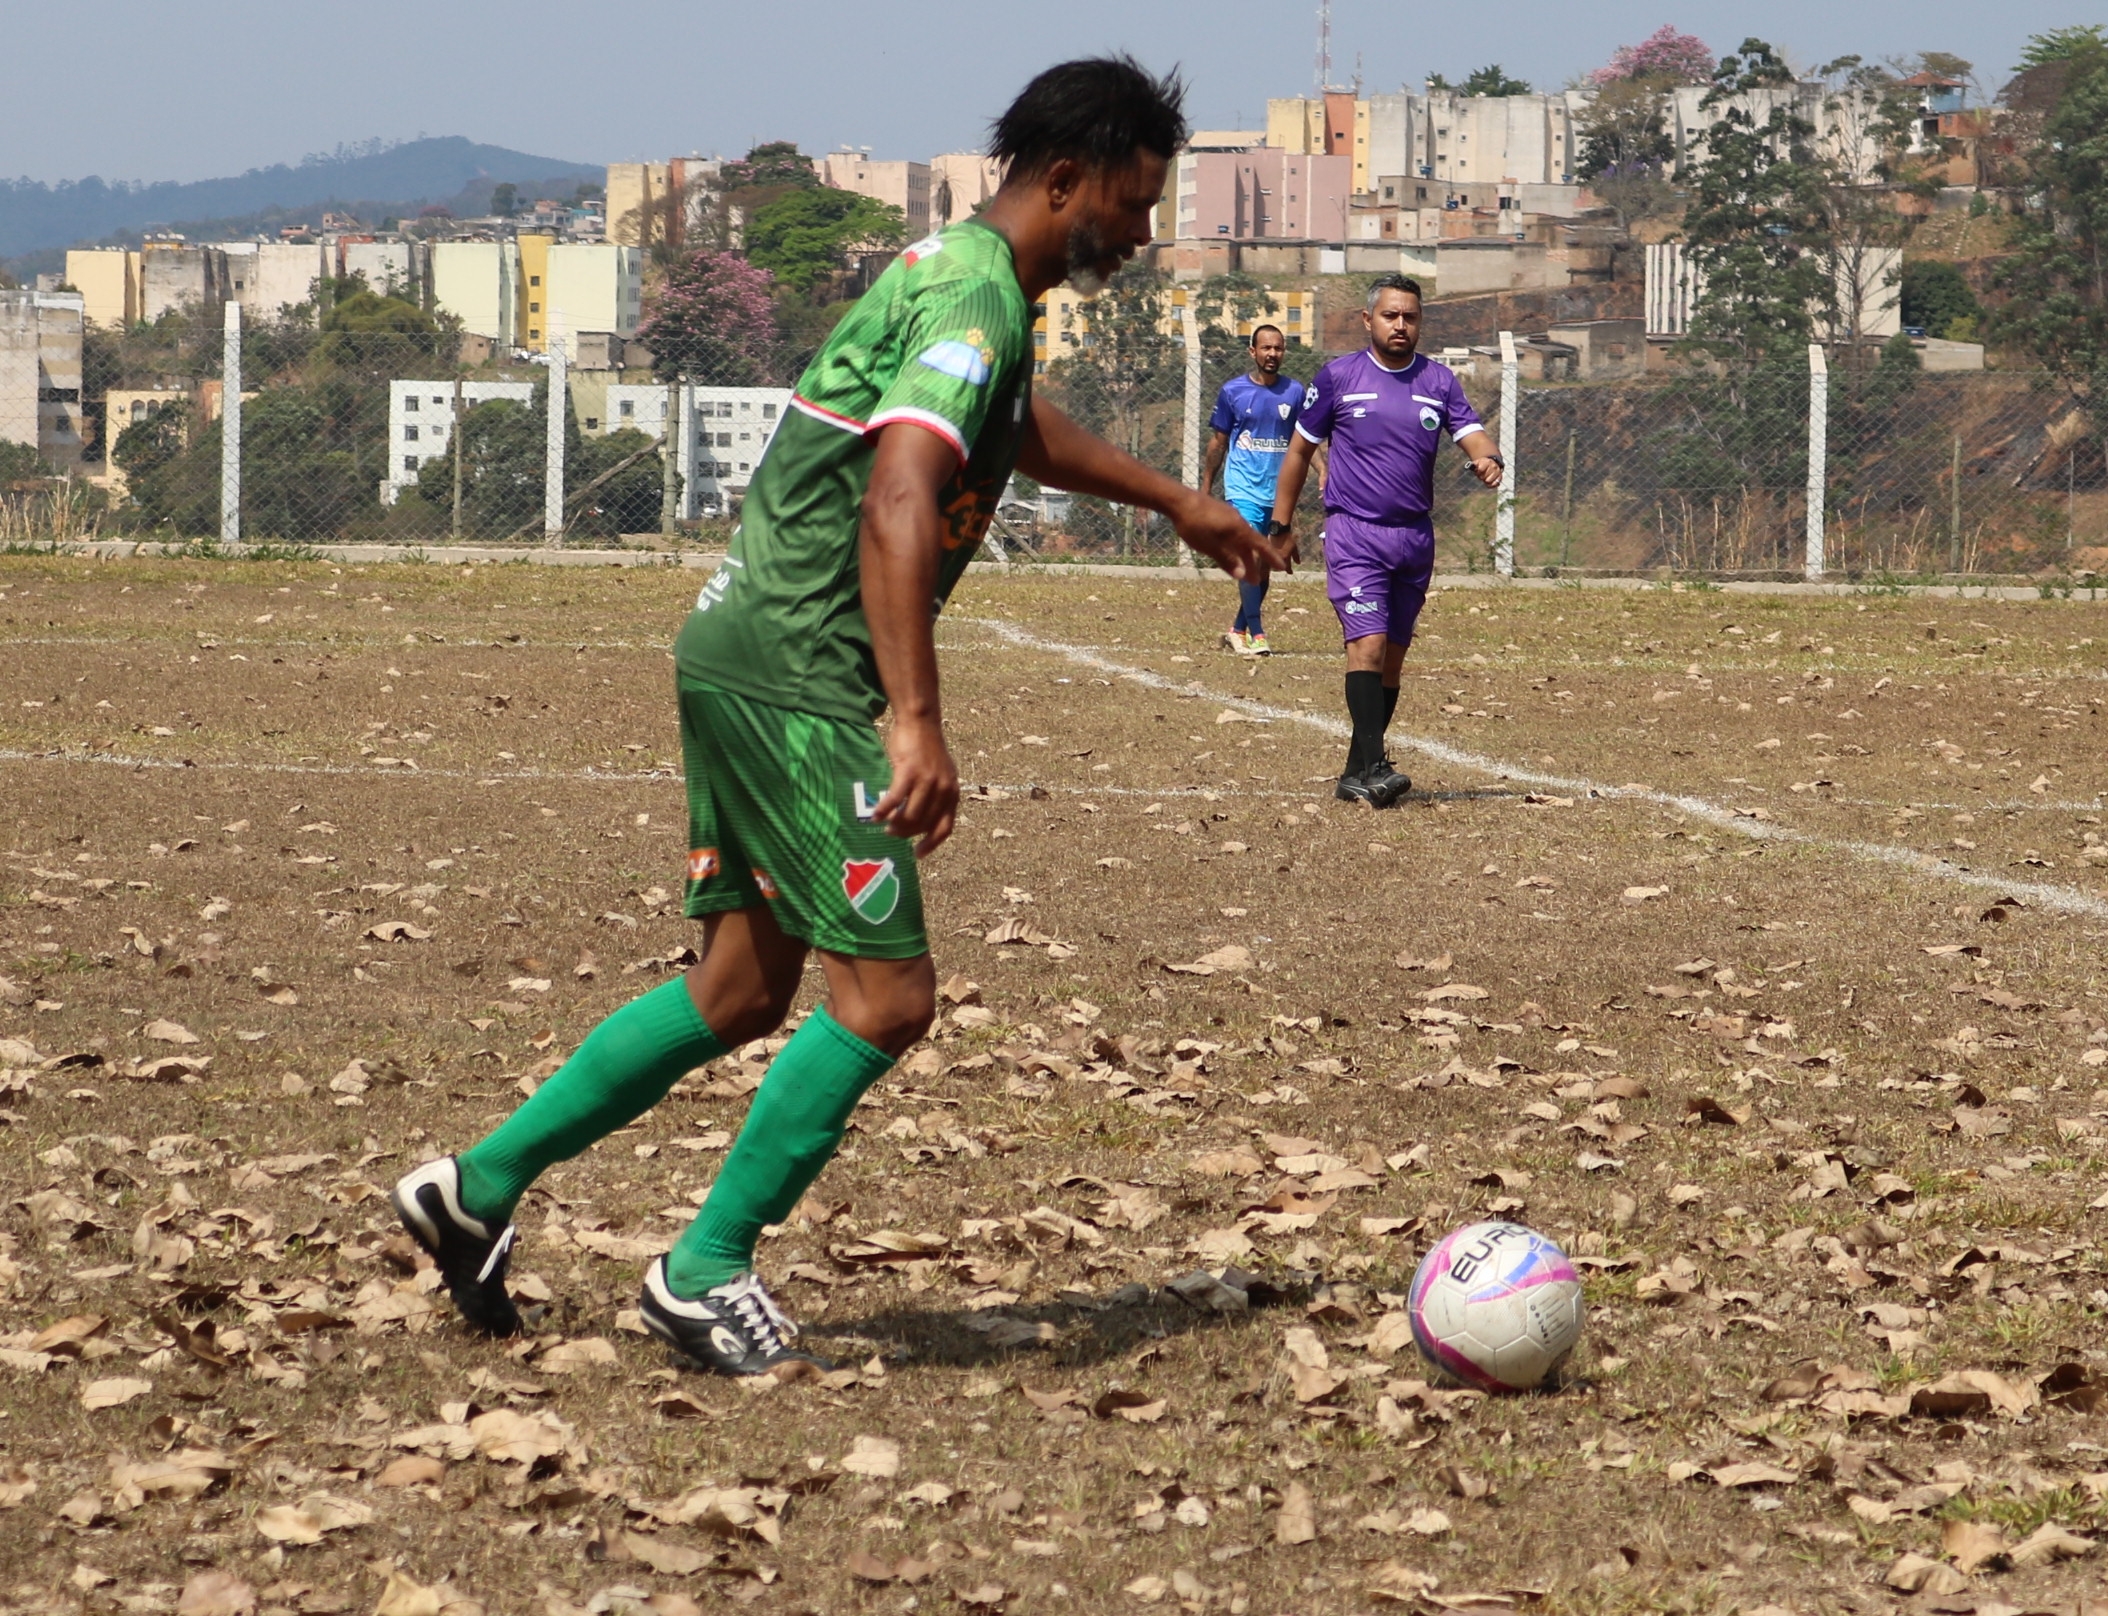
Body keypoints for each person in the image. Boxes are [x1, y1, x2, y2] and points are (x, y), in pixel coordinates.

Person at [391, 57, 1277, 1376]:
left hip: (741, 645)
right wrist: (913, 718)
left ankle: (474, 1188)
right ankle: (702, 1270)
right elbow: (901, 493)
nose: (1142, 233)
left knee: (742, 988)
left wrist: (1176, 499)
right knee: (888, 997)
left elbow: (1010, 424)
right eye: (1136, 203)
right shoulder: (977, 295)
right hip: (801, 674)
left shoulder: (961, 277)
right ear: (1068, 179)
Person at [1269, 274, 1503, 807]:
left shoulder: (1439, 381)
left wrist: (1489, 458)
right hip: (1355, 532)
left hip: (1414, 538)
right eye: (1391, 315)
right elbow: (1299, 452)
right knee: (1368, 646)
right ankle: (1376, 765)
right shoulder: (1338, 377)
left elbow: (1471, 433)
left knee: (1392, 658)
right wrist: (1280, 528)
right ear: (1367, 320)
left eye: (1410, 317)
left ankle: (1356, 771)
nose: (1401, 325)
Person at [1200, 324, 1306, 655]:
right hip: (1242, 489)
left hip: (1279, 494)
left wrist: (1324, 473)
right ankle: (1258, 635)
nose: (1272, 354)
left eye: (1278, 348)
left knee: (1265, 567)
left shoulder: (1295, 392)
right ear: (1253, 352)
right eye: (1266, 348)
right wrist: (1205, 488)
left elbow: (1305, 442)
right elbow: (1218, 444)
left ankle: (1237, 629)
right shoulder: (1233, 392)